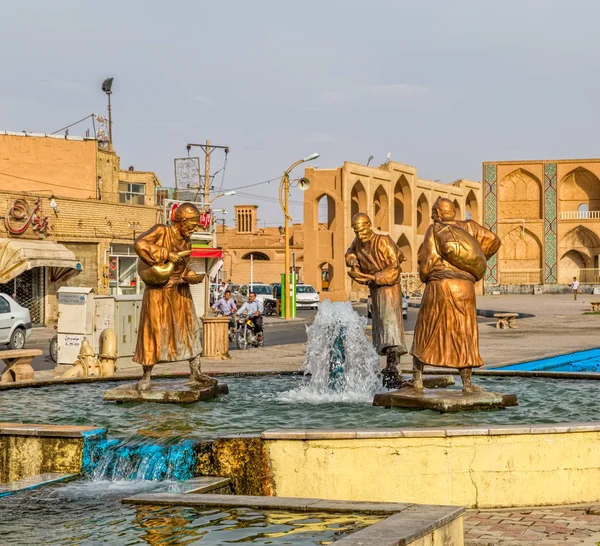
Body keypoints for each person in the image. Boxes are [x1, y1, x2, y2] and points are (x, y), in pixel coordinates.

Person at [411, 197, 501, 393]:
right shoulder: (470, 227)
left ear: (438, 214)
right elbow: (494, 240)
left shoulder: (435, 229)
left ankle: (417, 378)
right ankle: (467, 384)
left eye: (434, 213)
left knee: (426, 329)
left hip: (440, 286)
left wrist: (425, 275)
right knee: (464, 333)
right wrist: (474, 261)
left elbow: (426, 261)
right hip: (465, 288)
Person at [132, 202, 215, 391]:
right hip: (158, 291)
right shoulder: (162, 231)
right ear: (183, 221)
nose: (195, 229)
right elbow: (139, 244)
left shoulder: (187, 241)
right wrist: (166, 253)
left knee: (190, 330)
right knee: (153, 332)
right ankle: (146, 376)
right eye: (193, 225)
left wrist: (192, 275)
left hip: (180, 290)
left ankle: (196, 373)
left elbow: (185, 266)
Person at [345, 213, 407, 387]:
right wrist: (353, 262)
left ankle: (393, 365)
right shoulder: (358, 242)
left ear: (369, 225)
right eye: (356, 230)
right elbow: (350, 252)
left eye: (362, 229)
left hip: (388, 288)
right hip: (375, 289)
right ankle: (388, 364)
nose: (359, 234)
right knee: (380, 326)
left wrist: (373, 277)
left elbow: (394, 269)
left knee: (390, 325)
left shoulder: (383, 242)